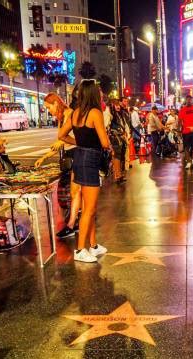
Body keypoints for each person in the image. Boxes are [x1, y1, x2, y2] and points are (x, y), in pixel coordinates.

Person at [58, 79, 111, 264]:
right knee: (88, 208)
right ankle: (80, 250)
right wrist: (107, 143)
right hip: (90, 160)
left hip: (79, 158)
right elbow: (104, 142)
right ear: (93, 94)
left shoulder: (75, 112)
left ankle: (93, 245)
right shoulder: (95, 112)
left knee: (90, 206)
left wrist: (79, 142)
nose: (101, 93)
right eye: (98, 90)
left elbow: (61, 135)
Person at [35, 93, 82, 239]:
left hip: (76, 156)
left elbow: (77, 138)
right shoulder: (62, 118)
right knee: (66, 193)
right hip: (68, 158)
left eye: (49, 107)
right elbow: (60, 142)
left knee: (74, 192)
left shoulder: (70, 114)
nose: (49, 111)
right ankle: (72, 223)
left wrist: (62, 141)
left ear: (56, 103)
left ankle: (72, 225)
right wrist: (44, 157)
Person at [178, 94, 193, 169]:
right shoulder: (182, 110)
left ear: (192, 100)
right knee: (186, 148)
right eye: (187, 99)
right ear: (185, 101)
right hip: (185, 131)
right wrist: (178, 131)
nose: (189, 101)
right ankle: (188, 161)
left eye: (190, 99)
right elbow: (179, 121)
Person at [109, 99, 128, 183]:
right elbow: (107, 125)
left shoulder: (119, 114)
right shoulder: (110, 114)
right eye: (115, 104)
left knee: (119, 156)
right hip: (115, 138)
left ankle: (118, 174)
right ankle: (118, 175)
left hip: (120, 137)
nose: (118, 106)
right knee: (117, 156)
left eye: (118, 104)